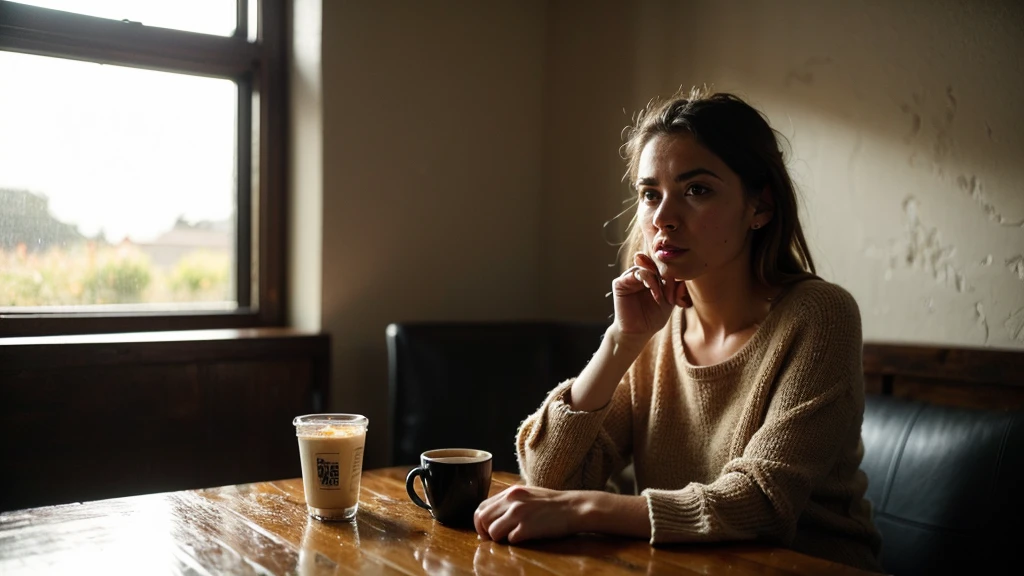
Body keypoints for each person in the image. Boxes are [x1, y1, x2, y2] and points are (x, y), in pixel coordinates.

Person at [472, 87, 883, 572]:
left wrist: (587, 509)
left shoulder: (820, 315)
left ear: (761, 207)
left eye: (697, 190)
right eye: (650, 194)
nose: (663, 218)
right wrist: (621, 343)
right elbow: (549, 475)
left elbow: (761, 504)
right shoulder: (657, 325)